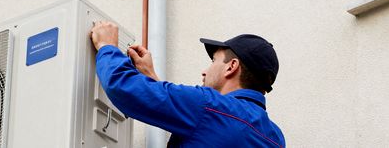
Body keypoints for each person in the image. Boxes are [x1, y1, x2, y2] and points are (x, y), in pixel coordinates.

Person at [90, 21, 285, 147]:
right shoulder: (275, 138)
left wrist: (107, 46)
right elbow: (210, 130)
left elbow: (122, 86)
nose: (205, 71)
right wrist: (151, 76)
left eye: (213, 61)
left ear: (231, 67)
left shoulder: (209, 105)